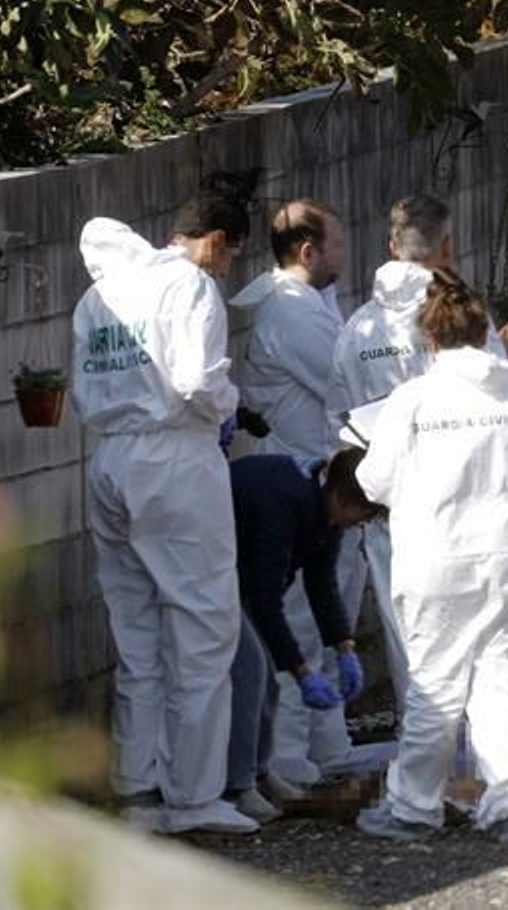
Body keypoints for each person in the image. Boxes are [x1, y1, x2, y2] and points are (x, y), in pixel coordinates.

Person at [354, 270, 508, 843]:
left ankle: (412, 807)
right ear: (484, 332)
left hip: (436, 564)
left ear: (428, 341)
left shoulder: (410, 401)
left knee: (435, 685)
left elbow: (374, 482)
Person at [71, 196, 257, 835]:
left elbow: (81, 389)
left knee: (138, 633)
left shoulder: (94, 302)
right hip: (175, 458)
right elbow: (198, 380)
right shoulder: (188, 284)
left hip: (108, 462)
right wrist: (231, 401)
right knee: (203, 630)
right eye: (232, 249)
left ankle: (136, 792)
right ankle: (194, 796)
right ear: (214, 241)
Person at [326, 194, 506, 714]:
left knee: (410, 645)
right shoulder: (463, 318)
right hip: (464, 501)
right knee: (475, 640)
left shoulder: (356, 329)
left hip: (390, 508)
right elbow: (498, 391)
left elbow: (338, 421)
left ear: (390, 247)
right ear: (446, 246)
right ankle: (477, 771)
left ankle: (425, 774)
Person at [230, 199, 361, 788]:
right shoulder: (293, 314)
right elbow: (348, 386)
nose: (344, 255)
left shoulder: (309, 305)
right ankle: (286, 760)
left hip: (317, 484)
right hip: (294, 488)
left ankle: (325, 748)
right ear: (308, 252)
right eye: (336, 244)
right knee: (296, 624)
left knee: (324, 615)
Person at [225, 450, 379, 823]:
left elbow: (322, 584)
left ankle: (260, 774)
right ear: (344, 499)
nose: (361, 526)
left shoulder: (326, 511)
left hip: (239, 579)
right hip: (212, 574)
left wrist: (345, 648)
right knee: (251, 674)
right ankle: (238, 786)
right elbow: (265, 600)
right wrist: (302, 672)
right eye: (364, 516)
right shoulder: (285, 501)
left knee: (268, 684)